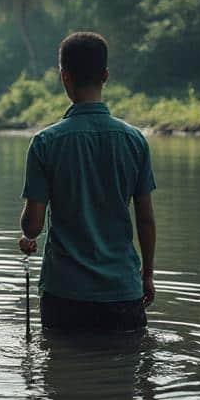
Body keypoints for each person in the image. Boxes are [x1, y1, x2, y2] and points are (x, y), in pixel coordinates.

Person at [18, 32, 157, 333]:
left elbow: (33, 226)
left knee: (62, 373)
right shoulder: (135, 141)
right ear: (106, 75)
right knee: (125, 372)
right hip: (122, 291)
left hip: (65, 294)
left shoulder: (45, 143)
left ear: (64, 76)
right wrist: (147, 276)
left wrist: (26, 233)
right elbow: (145, 219)